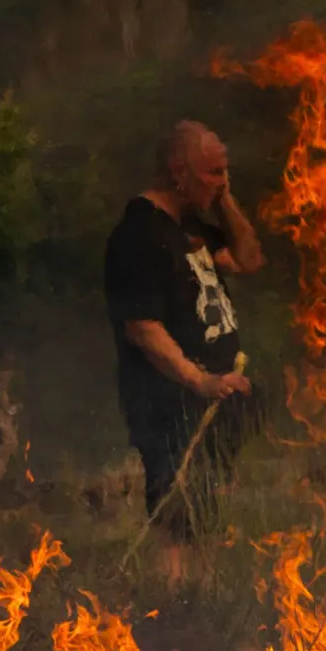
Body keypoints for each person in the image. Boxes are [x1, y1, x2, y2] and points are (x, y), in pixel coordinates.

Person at [104, 119, 266, 588]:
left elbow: (250, 259)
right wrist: (200, 381)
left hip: (211, 399)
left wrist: (225, 200)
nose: (221, 182)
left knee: (207, 510)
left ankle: (203, 608)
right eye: (213, 173)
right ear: (178, 171)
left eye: (225, 173)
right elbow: (143, 328)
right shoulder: (139, 234)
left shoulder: (192, 226)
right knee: (176, 517)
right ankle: (172, 615)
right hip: (167, 400)